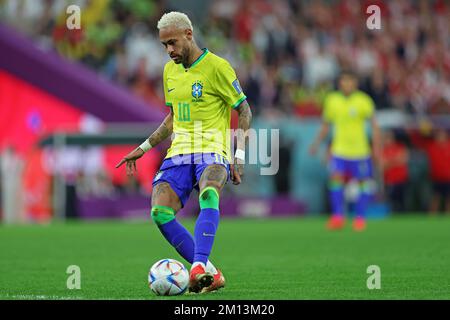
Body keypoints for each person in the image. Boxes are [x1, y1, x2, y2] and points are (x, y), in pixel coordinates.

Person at [116, 12, 252, 293]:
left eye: (173, 43)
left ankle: (198, 266)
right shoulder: (169, 71)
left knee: (209, 193)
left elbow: (244, 109)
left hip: (212, 150)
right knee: (159, 211)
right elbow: (173, 117)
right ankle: (209, 272)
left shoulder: (218, 67)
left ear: (189, 35)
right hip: (179, 152)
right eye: (164, 45)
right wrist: (143, 148)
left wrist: (238, 157)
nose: (169, 51)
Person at [309, 70, 381, 231]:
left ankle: (360, 218)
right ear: (340, 83)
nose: (347, 84)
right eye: (344, 81)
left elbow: (375, 125)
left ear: (355, 83)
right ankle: (338, 217)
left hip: (360, 151)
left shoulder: (363, 101)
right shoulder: (332, 100)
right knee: (335, 181)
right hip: (339, 150)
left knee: (364, 183)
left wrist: (376, 148)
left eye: (350, 81)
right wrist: (316, 144)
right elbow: (326, 125)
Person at [379, 130, 409, 213]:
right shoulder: (382, 150)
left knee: (402, 200)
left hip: (401, 178)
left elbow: (404, 159)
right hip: (389, 180)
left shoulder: (400, 146)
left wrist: (390, 162)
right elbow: (382, 165)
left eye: (389, 137)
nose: (388, 139)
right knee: (391, 201)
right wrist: (396, 160)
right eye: (386, 138)